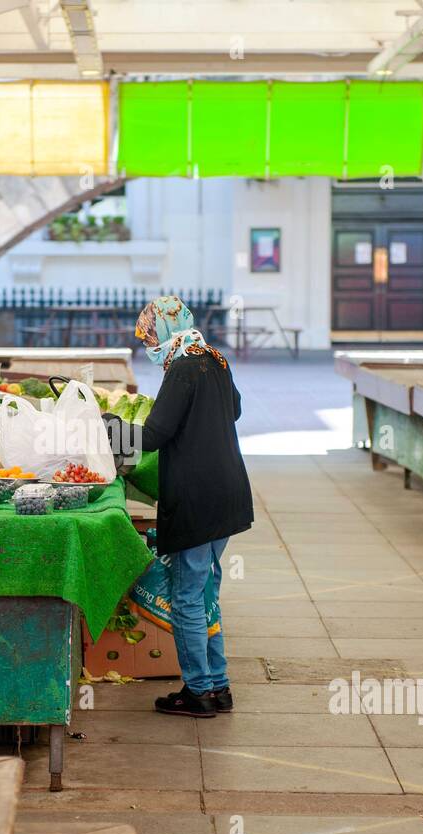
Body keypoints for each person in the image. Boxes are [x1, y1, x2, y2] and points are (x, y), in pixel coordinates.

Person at [137, 295, 254, 718]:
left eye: (151, 333)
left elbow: (153, 435)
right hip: (226, 495)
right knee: (207, 591)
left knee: (186, 595)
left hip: (197, 500)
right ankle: (218, 684)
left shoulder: (183, 368)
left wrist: (106, 433)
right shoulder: (214, 358)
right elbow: (235, 409)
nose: (149, 341)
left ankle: (198, 691)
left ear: (166, 329)